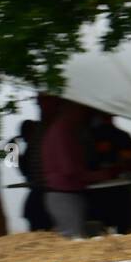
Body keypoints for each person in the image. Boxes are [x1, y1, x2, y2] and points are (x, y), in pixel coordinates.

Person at [42, 100, 102, 237]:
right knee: (74, 240)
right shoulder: (62, 131)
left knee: (74, 238)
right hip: (64, 194)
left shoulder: (61, 129)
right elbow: (69, 169)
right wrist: (97, 176)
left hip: (64, 193)